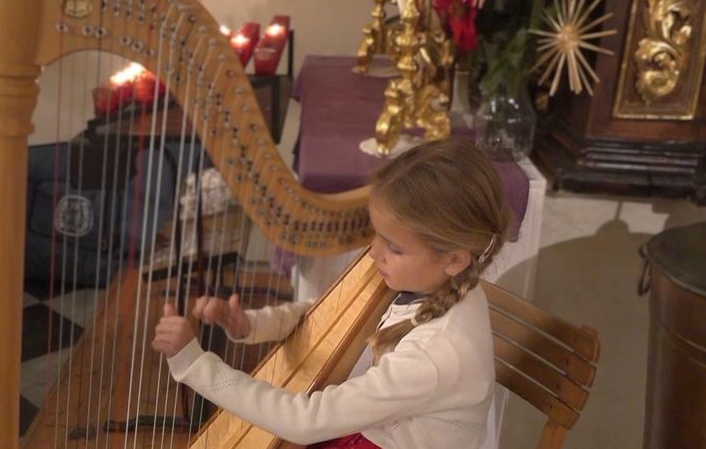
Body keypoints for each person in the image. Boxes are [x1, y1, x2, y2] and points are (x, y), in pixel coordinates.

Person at [152, 139, 509, 448]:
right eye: (376, 234)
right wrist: (250, 325)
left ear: (454, 260)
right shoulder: (435, 280)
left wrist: (195, 365)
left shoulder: (436, 354)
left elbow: (305, 421)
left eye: (393, 246)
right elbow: (321, 313)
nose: (373, 252)